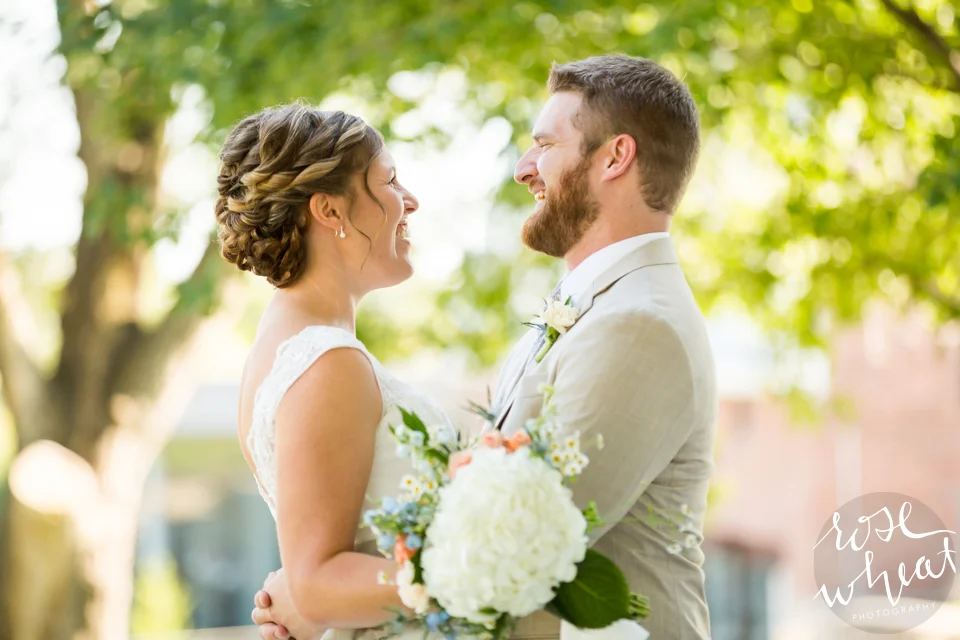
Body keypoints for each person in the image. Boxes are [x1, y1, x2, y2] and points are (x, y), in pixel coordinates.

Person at [252, 53, 717, 640]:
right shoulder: (598, 308)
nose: (524, 168)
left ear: (615, 157)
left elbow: (519, 548)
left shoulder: (638, 325)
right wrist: (326, 592)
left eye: (544, 145)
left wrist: (321, 596)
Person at [217, 103, 455, 640]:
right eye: (390, 181)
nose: (411, 201)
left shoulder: (282, 349)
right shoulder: (327, 363)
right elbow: (318, 583)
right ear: (329, 211)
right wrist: (485, 572)